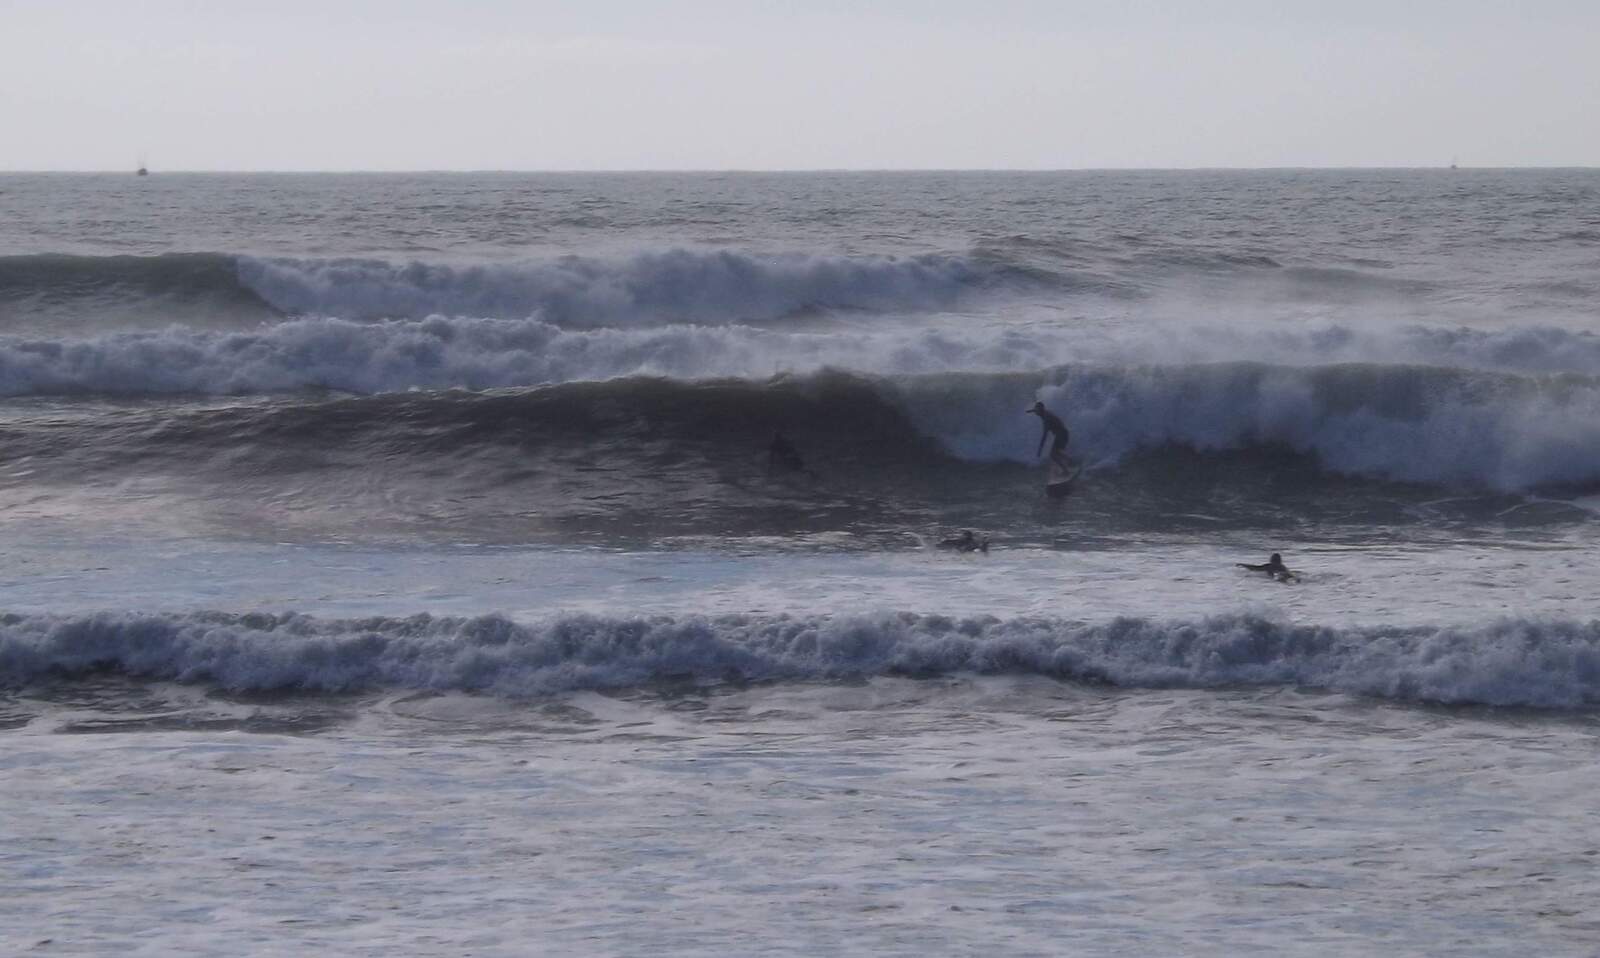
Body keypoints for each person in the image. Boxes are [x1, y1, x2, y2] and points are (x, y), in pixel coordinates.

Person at [1027, 400, 1071, 470]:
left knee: (1052, 455)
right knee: (1056, 452)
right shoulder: (1045, 412)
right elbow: (1037, 409)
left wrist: (1040, 450)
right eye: (1035, 410)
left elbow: (1044, 436)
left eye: (1036, 410)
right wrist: (1030, 411)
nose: (1035, 412)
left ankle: (1066, 471)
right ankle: (1070, 460)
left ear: (1041, 410)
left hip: (1062, 435)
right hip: (1063, 433)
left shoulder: (1046, 419)